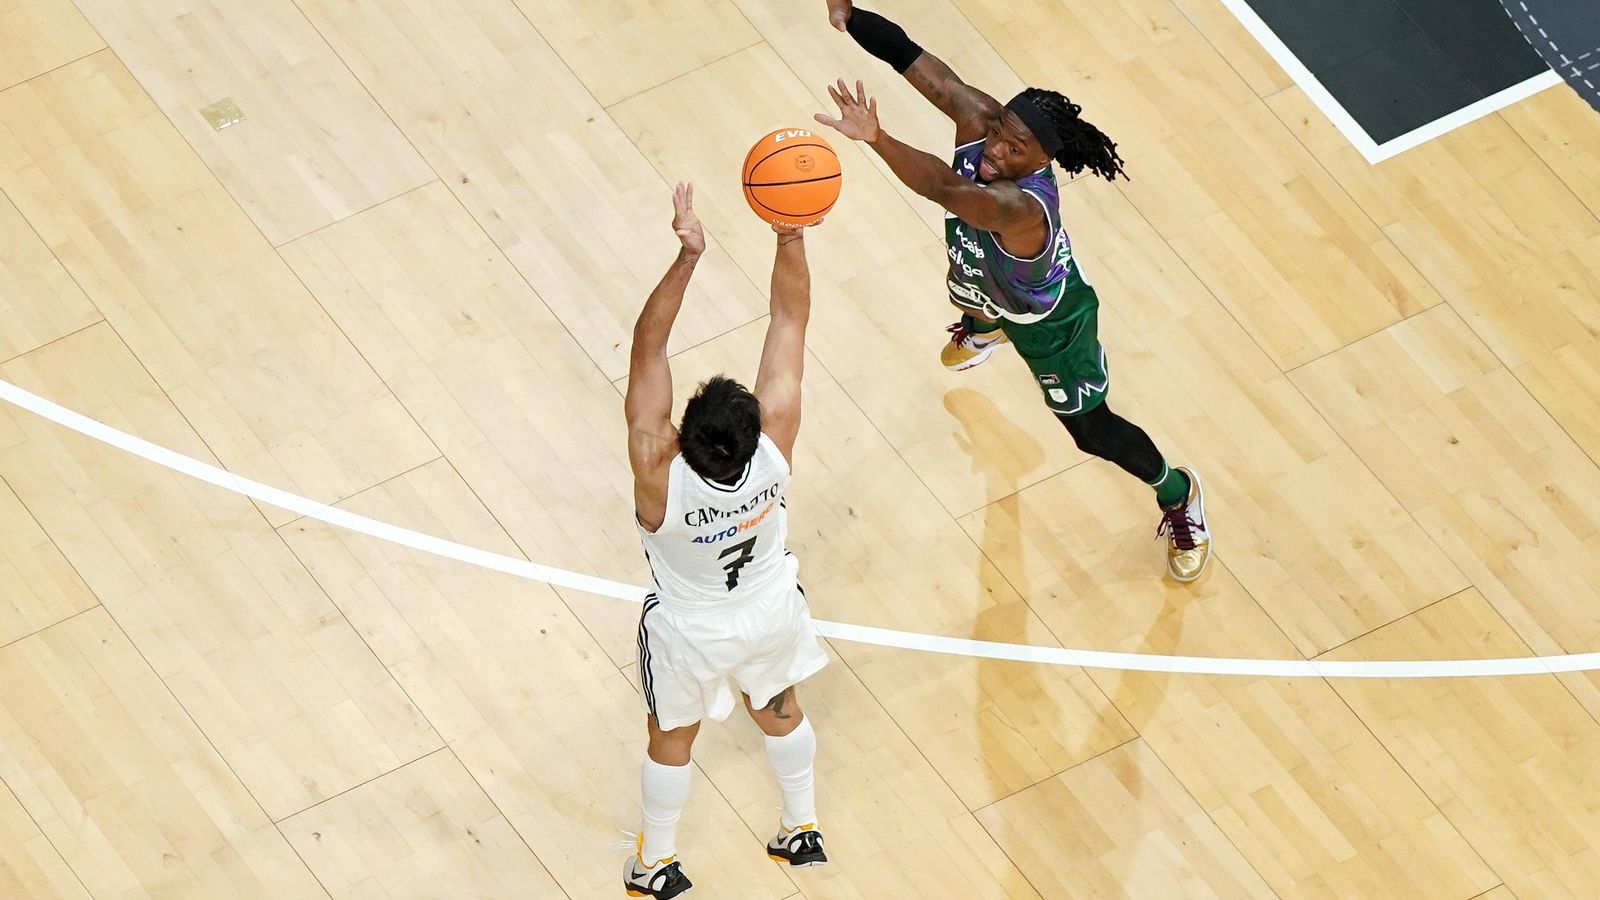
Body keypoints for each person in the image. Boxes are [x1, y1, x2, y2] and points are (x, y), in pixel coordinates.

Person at [818, 1, 1211, 582]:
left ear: (1042, 160)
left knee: (1090, 433)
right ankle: (982, 328)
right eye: (1000, 132)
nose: (996, 150)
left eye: (1015, 148)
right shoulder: (985, 124)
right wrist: (850, 16)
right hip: (991, 277)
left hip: (1050, 322)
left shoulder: (1022, 207)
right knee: (966, 283)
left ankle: (1178, 495)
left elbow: (944, 187)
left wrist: (876, 137)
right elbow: (913, 57)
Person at [622, 183, 830, 898]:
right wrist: (790, 232)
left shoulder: (658, 470)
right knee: (779, 708)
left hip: (691, 630)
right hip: (770, 608)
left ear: (682, 432)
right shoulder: (777, 443)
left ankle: (654, 865)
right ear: (753, 433)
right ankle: (800, 828)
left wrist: (688, 255)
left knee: (672, 736)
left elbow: (648, 347)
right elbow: (790, 318)